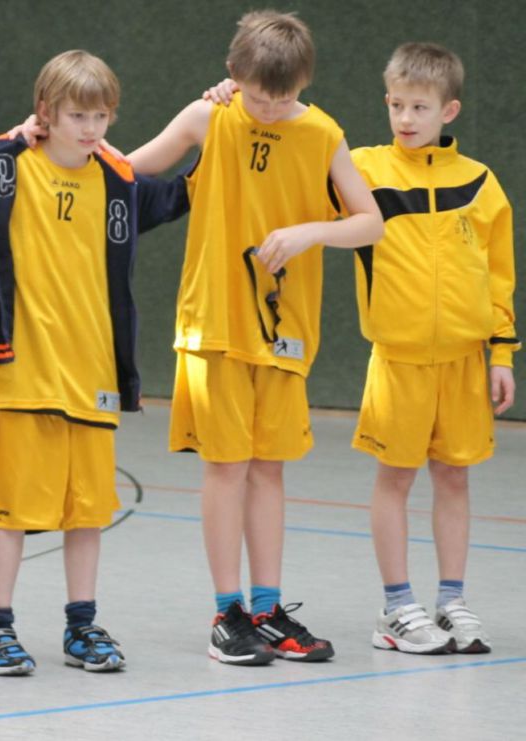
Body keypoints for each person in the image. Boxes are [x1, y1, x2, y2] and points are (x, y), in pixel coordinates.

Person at [125, 10, 383, 665]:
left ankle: (268, 610)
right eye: (257, 95)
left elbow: (370, 222)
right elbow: (124, 169)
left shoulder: (323, 134)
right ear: (233, 75)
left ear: (304, 84)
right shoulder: (210, 116)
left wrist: (310, 232)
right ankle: (226, 612)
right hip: (213, 322)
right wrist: (39, 138)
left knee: (269, 468)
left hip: (286, 329)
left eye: (283, 97)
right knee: (228, 467)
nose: (268, 108)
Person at [0, 50, 187, 676]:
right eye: (77, 115)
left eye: (101, 116)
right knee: (10, 513)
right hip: (22, 375)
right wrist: (14, 136)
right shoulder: (9, 171)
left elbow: (184, 193)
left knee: (87, 514)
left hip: (93, 379)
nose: (91, 128)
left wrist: (218, 113)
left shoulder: (118, 184)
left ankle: (82, 626)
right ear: (46, 114)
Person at [351, 43, 517, 654]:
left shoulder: (479, 183)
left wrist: (501, 354)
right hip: (398, 361)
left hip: (465, 361)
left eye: (419, 106)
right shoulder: (363, 171)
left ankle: (452, 602)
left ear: (449, 111)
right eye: (396, 104)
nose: (405, 118)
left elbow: (499, 278)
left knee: (453, 478)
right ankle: (396, 608)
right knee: (394, 480)